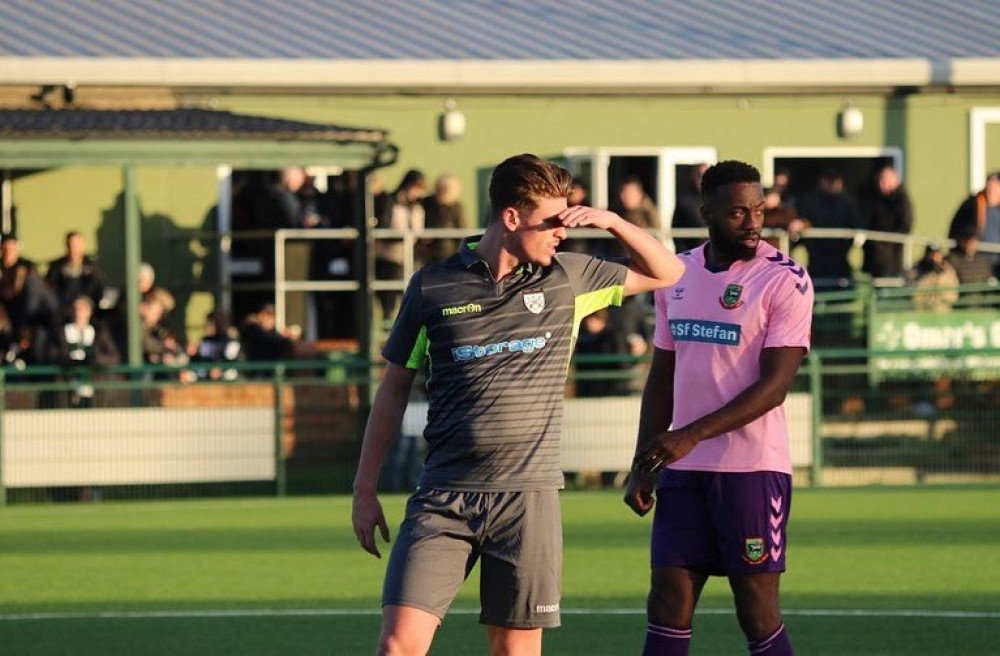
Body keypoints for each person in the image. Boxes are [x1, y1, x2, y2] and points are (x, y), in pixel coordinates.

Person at [352, 153, 685, 656]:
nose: (562, 233)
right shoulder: (433, 286)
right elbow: (393, 388)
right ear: (511, 218)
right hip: (444, 496)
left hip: (527, 502)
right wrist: (363, 488)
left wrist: (613, 220)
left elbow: (668, 271)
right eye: (551, 222)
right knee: (398, 646)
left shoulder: (569, 278)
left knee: (514, 653)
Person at [624, 160, 813, 656]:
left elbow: (774, 388)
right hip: (682, 471)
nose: (752, 222)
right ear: (706, 212)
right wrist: (642, 463)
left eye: (758, 210)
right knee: (666, 602)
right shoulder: (675, 274)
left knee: (755, 609)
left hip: (751, 470)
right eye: (737, 213)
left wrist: (690, 434)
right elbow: (662, 375)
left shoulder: (785, 281)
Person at [374, 169, 427, 321]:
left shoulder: (417, 207)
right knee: (389, 298)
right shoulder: (390, 201)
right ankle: (388, 327)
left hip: (409, 258)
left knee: (410, 296)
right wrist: (400, 237)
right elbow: (383, 226)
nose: (416, 193)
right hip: (389, 257)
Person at [798, 169, 859, 287]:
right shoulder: (810, 202)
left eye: (834, 181)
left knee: (840, 290)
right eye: (828, 181)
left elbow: (855, 225)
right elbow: (803, 222)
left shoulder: (848, 203)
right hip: (817, 259)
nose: (831, 185)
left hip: (840, 259)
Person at [860, 166, 913, 279]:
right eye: (880, 180)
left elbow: (905, 226)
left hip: (891, 257)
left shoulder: (901, 200)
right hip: (874, 257)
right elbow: (866, 220)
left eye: (884, 180)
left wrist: (884, 242)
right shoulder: (874, 199)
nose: (881, 183)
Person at [948, 171, 1000, 268]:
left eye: (995, 186)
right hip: (978, 261)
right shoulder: (972, 204)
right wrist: (968, 239)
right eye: (989, 185)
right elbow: (958, 228)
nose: (991, 189)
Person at [45, 231, 105, 310]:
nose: (74, 249)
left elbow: (98, 288)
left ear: (82, 245)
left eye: (76, 245)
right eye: (71, 245)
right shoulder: (56, 267)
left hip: (87, 308)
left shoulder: (92, 267)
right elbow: (50, 288)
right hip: (63, 308)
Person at [420, 173, 465, 265]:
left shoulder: (457, 207)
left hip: (450, 251)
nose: (443, 191)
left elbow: (461, 229)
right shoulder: (427, 203)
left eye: (446, 189)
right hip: (429, 253)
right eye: (441, 188)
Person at [909, 243, 959, 313]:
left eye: (936, 254)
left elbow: (953, 294)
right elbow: (914, 295)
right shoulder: (917, 271)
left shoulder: (948, 271)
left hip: (943, 312)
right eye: (931, 254)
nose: (934, 257)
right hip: (923, 313)